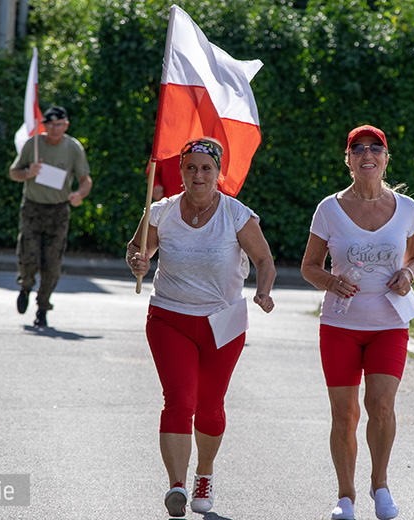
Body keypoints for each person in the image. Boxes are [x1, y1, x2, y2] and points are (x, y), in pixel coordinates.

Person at [127, 137, 276, 517]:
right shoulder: (161, 211)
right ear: (179, 171)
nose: (198, 175)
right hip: (169, 317)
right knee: (180, 401)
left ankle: (204, 474)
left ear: (218, 173)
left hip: (223, 320)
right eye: (190, 167)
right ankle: (176, 485)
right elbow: (138, 249)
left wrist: (263, 292)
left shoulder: (236, 214)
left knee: (210, 406)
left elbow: (264, 259)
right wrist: (139, 262)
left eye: (206, 168)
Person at [300, 125, 414, 520]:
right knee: (345, 413)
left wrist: (408, 275)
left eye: (375, 148)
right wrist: (331, 281)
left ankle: (381, 485)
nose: (366, 154)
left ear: (386, 159)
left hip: (389, 321)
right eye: (357, 149)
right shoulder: (328, 209)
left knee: (382, 405)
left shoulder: (406, 208)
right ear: (348, 159)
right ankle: (346, 496)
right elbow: (308, 267)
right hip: (339, 325)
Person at [9, 105, 93, 328]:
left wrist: (78, 194)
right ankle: (25, 286)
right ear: (44, 125)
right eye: (50, 124)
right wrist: (29, 173)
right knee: (29, 255)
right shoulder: (33, 145)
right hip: (33, 208)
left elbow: (85, 180)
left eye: (59, 124)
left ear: (66, 124)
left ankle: (42, 308)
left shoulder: (73, 148)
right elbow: (13, 172)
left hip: (58, 211)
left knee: (52, 264)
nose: (54, 129)